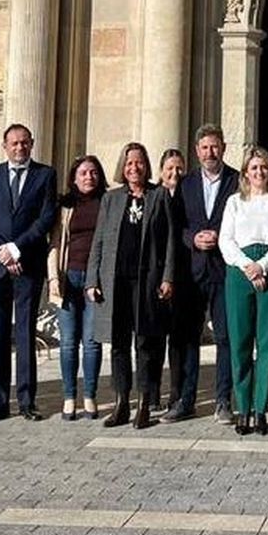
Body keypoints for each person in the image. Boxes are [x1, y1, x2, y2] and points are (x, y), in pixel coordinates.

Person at [86, 142, 176, 429]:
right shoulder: (111, 199)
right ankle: (121, 403)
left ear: (146, 165)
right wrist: (92, 279)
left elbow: (171, 240)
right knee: (119, 344)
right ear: (122, 168)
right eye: (128, 164)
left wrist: (167, 277)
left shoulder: (159, 195)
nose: (134, 168)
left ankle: (145, 403)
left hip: (147, 282)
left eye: (138, 163)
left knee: (146, 343)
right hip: (116, 282)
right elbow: (98, 241)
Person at [0, 124, 58, 423]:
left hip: (27, 264)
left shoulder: (45, 175)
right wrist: (2, 249)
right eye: (14, 143)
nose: (19, 148)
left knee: (24, 333)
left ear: (32, 144)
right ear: (4, 145)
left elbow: (47, 216)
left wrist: (17, 248)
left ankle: (26, 400)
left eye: (24, 143)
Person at [218, 145, 268, 436]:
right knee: (239, 344)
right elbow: (226, 241)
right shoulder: (235, 202)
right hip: (239, 274)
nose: (259, 172)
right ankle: (243, 408)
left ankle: (261, 409)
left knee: (267, 344)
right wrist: (249, 267)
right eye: (253, 168)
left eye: (263, 167)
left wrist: (262, 266)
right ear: (245, 173)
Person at [175, 125, 240, 424]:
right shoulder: (185, 184)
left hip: (225, 270)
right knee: (189, 337)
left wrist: (221, 237)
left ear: (223, 148)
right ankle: (185, 399)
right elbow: (177, 226)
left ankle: (223, 400)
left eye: (214, 147)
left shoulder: (238, 181)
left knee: (226, 337)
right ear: (196, 150)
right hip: (193, 271)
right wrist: (192, 239)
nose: (209, 153)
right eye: (204, 148)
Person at [47, 155, 108, 420]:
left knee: (92, 342)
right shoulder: (64, 205)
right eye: (83, 173)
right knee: (69, 342)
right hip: (67, 277)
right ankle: (70, 396)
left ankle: (90, 396)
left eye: (93, 172)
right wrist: (53, 279)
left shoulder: (107, 202)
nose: (88, 177)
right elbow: (55, 244)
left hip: (96, 279)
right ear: (74, 177)